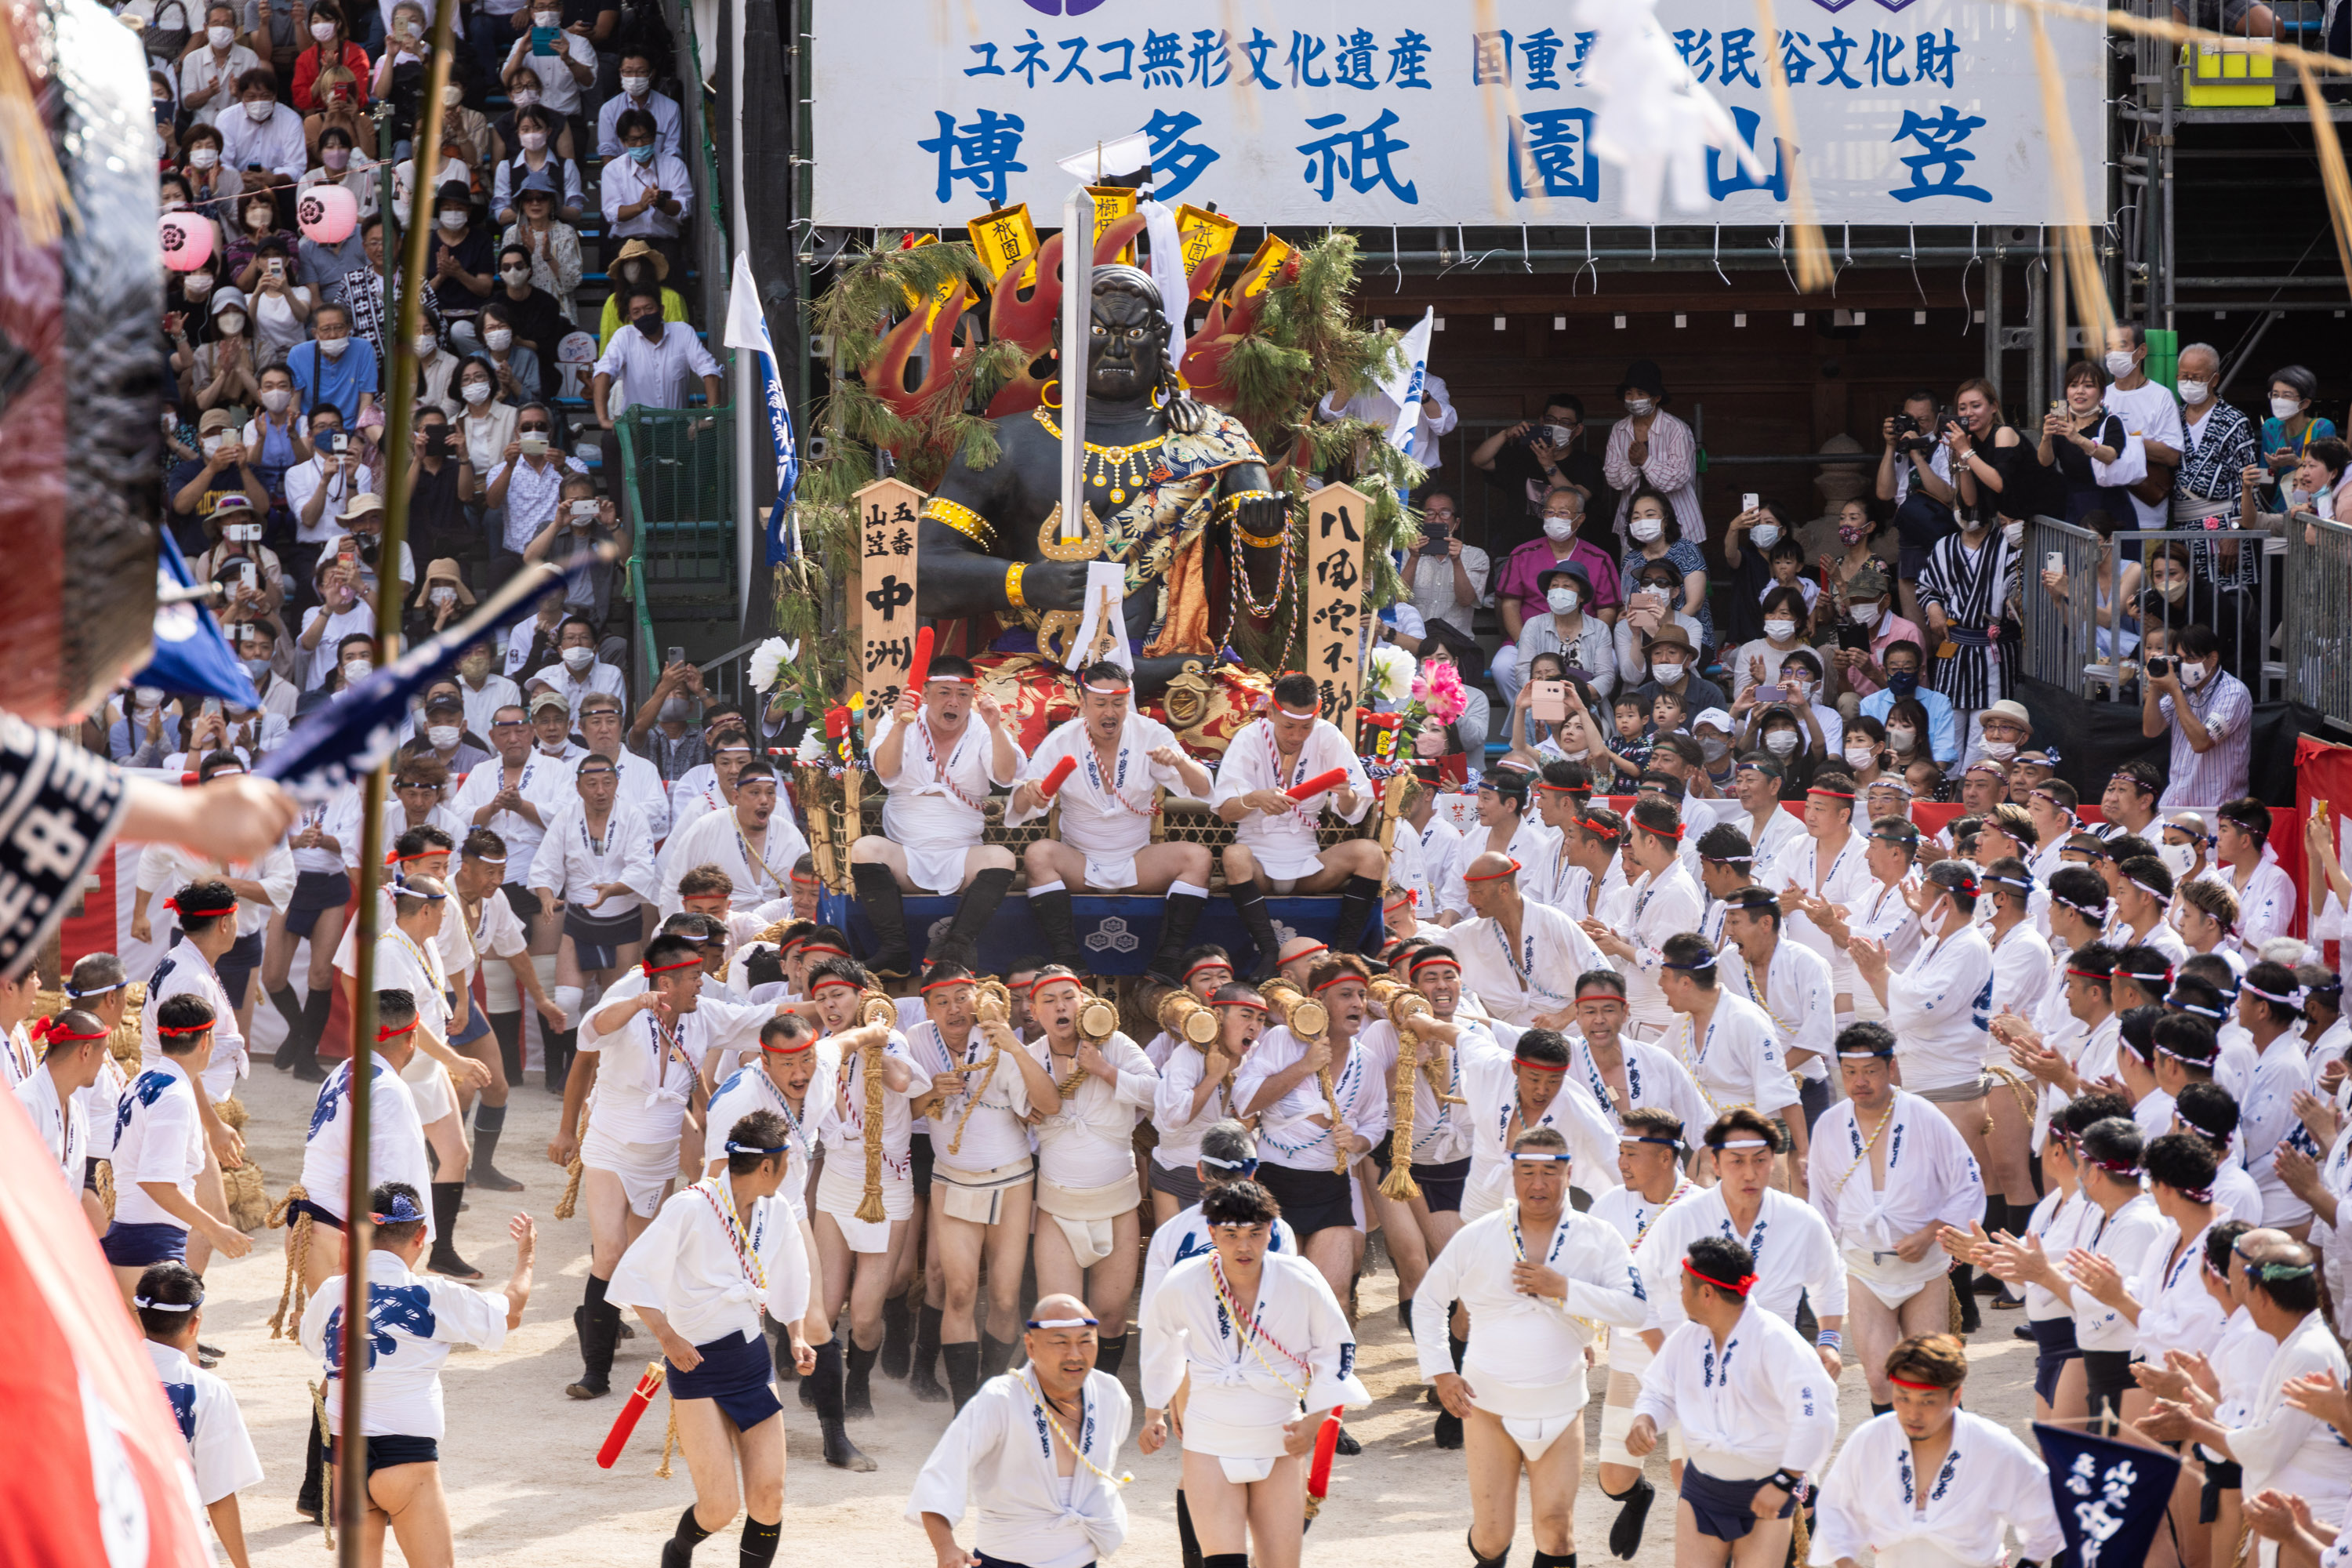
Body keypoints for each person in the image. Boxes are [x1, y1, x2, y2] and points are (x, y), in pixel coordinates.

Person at [1414, 1125, 1647, 1568]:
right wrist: (1442, 1371)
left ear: (1568, 1174)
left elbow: (1636, 1309)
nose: (1537, 1184)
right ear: (1513, 1175)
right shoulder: (1479, 1234)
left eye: (1549, 1172)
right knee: (1492, 1538)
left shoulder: (1598, 1235)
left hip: (1561, 1399)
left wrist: (1566, 1289)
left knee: (1557, 1531)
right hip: (1490, 1403)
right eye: (1527, 1173)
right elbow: (1428, 1300)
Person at [606, 1109, 811, 1568]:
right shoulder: (692, 1205)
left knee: (769, 1497)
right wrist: (667, 1337)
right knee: (720, 1507)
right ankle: (677, 1552)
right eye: (787, 1161)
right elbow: (633, 1275)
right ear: (766, 1166)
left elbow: (793, 1277)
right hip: (695, 1365)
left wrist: (796, 1336)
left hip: (751, 1360)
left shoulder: (776, 1211)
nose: (789, 1170)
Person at [1138, 1178, 1370, 1568]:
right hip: (1210, 1437)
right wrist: (1154, 1411)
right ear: (1212, 1232)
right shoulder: (1185, 1280)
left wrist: (1315, 1421)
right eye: (1230, 1234)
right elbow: (1161, 1344)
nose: (1243, 1247)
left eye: (1255, 1234)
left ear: (1272, 1232)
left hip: (1279, 1437)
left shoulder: (1300, 1278)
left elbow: (1337, 1348)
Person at [299, 1184, 534, 1568]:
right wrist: (526, 1255)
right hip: (406, 1459)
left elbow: (314, 1345)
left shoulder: (330, 1292)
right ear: (421, 1235)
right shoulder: (434, 1293)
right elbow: (512, 1312)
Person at [1626, 1234, 1838, 1567]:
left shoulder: (1777, 1340)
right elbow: (1659, 1391)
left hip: (1765, 1492)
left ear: (1707, 1293)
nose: (1680, 1293)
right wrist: (1646, 1419)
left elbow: (1817, 1416)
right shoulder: (1686, 1338)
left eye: (1684, 1285)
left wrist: (1785, 1481)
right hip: (1702, 1491)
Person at [1805, 1023, 1984, 1411]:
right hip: (1864, 1263)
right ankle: (1894, 1466)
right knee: (1880, 1381)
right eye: (1850, 1072)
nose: (1859, 1082)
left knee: (1929, 1372)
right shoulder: (1830, 1124)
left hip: (1923, 1264)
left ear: (1891, 1068)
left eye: (1869, 1070)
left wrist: (1932, 1233)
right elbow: (1821, 1203)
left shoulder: (1924, 1115)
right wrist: (1823, 1265)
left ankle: (1950, 1459)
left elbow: (1966, 1181)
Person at [902, 967, 1059, 1408]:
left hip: (1010, 1180)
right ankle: (963, 1406)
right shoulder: (917, 1040)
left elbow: (1047, 1107)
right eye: (942, 1001)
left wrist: (1012, 1045)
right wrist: (932, 1091)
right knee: (959, 1291)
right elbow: (905, 1109)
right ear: (928, 1007)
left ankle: (990, 1395)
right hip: (951, 1180)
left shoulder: (999, 1042)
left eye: (961, 998)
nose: (954, 1009)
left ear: (977, 999)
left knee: (1006, 1299)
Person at [2143, 1236, 2352, 1549]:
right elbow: (2261, 1433)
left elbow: (2266, 1448)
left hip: (2313, 1520)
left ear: (2263, 1296)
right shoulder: (2298, 1343)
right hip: (2288, 1516)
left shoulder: (2308, 1352)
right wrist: (2200, 1397)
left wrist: (2193, 1425)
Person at [1007, 663, 1215, 970]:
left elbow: (1203, 789)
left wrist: (1181, 762)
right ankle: (1068, 957)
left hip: (1137, 861)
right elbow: (1022, 805)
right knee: (1038, 855)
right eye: (1101, 703)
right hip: (1079, 862)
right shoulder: (1062, 740)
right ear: (1083, 702)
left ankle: (1168, 959)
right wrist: (1032, 791)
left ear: (1128, 701)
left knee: (1198, 858)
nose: (1110, 712)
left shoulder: (1151, 734)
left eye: (1118, 703)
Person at [908, 1293, 1133, 1568]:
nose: (1075, 1354)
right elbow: (942, 1472)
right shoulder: (999, 1399)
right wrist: (946, 1547)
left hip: (1084, 1562)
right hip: (1005, 1560)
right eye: (1060, 1342)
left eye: (1086, 1341)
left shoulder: (1111, 1395)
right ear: (1031, 1346)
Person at [1809, 1333, 2065, 1568]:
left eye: (1928, 1401)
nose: (1913, 1414)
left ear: (1955, 1397)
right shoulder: (1871, 1439)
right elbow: (1836, 1511)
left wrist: (2029, 1564)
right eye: (1903, 1397)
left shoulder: (1992, 1445)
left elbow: (2048, 1512)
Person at [804, 958, 929, 1426]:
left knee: (865, 1310)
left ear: (861, 995)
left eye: (838, 995)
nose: (830, 1005)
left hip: (888, 1185)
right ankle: (828, 1383)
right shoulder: (821, 1047)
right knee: (828, 1299)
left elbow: (901, 1082)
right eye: (821, 998)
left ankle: (858, 1382)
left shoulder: (889, 1037)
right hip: (838, 1181)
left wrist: (873, 1043)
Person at [1234, 955, 1388, 1312]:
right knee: (1276, 1296)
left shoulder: (1368, 1060)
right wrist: (1304, 1066)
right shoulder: (1282, 1041)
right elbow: (1245, 1103)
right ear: (1319, 1000)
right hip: (1275, 1183)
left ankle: (1330, 1369)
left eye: (1362, 995)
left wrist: (1359, 1141)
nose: (1357, 1004)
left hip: (1330, 1183)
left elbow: (1376, 1121)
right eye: (1346, 994)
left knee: (1333, 1297)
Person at [852, 655, 1022, 978]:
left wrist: (997, 727)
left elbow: (1005, 774)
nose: (953, 702)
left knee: (1001, 858)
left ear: (973, 698)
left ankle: (954, 950)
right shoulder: (900, 719)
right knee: (865, 849)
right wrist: (901, 722)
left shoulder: (984, 728)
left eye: (962, 695)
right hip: (905, 854)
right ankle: (894, 950)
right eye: (944, 692)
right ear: (926, 693)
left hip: (962, 855)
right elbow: (885, 770)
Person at [1586, 1108, 1700, 1555]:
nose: (1622, 1163)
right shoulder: (1611, 1204)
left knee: (1687, 1477)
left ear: (1667, 1157)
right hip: (1632, 1362)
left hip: (1688, 1361)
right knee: (1614, 1480)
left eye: (1632, 1153)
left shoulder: (1702, 1208)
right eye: (1621, 1152)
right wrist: (1582, 1339)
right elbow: (1586, 1273)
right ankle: (1637, 1499)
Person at [136, 1261, 263, 1568]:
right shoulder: (206, 1389)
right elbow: (218, 1493)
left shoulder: (98, 1371)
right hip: (177, 1541)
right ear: (195, 1322)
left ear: (140, 1315)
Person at [1577, 797, 1704, 1033]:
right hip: (1636, 1014)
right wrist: (1606, 936)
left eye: (1634, 835)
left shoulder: (1677, 891)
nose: (1630, 843)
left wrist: (1617, 946)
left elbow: (1660, 964)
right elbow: (1628, 932)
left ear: (1651, 840)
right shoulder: (1647, 879)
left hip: (1660, 1021)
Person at [1450, 848, 1609, 1029]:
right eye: (1468, 891)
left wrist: (1563, 1017)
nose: (1470, 900)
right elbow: (1429, 953)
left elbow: (1605, 979)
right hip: (1513, 1038)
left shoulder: (1553, 922)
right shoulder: (1468, 933)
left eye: (1477, 892)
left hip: (1571, 1033)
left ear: (1504, 889)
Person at [1493, 485, 1623, 702]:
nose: (1555, 518)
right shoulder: (1523, 553)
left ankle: (1582, 720)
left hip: (1583, 639)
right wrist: (1523, 642)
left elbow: (1607, 609)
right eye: (1549, 512)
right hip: (1530, 638)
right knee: (1502, 666)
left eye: (1563, 513)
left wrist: (1589, 641)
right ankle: (1531, 720)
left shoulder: (1598, 558)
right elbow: (1509, 604)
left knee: (1613, 663)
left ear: (1580, 519)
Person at [655, 760, 810, 915]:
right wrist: (677, 934)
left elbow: (809, 886)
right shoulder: (708, 827)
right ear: (736, 797)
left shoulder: (788, 834)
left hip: (773, 929)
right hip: (718, 927)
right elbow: (675, 883)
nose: (764, 800)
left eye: (770, 793)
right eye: (755, 793)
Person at [2143, 622, 2253, 808]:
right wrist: (2155, 684)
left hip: (2217, 806)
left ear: (2212, 658)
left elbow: (2202, 742)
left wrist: (2175, 691)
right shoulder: (2183, 687)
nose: (2185, 665)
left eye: (2191, 659)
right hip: (2175, 800)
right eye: (2181, 659)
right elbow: (2151, 730)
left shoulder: (2233, 692)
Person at [593, 282, 723, 431]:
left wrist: (710, 418)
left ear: (661, 310)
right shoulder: (624, 337)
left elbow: (709, 371)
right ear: (630, 317)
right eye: (636, 312)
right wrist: (603, 419)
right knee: (610, 442)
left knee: (705, 436)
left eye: (649, 309)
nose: (643, 315)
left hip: (676, 426)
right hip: (636, 428)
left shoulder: (683, 332)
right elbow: (603, 373)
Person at [1604, 360, 1704, 544]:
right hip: (1634, 525)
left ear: (1656, 398)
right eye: (1629, 393)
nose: (1633, 399)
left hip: (1678, 523)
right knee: (1636, 572)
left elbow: (1679, 476)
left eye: (1640, 393)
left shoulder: (1676, 429)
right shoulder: (1619, 430)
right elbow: (1612, 478)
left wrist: (1646, 461)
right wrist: (1632, 465)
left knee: (1678, 572)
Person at [2100, 325, 2187, 536]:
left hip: (2146, 518)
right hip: (2103, 518)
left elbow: (2172, 455)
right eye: (2109, 347)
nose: (2114, 354)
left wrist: (2123, 440)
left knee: (2146, 570)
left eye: (2122, 346)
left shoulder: (2161, 397)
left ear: (2141, 351)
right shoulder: (2099, 397)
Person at [15, 1009, 109, 1192]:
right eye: (103, 1052)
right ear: (86, 1052)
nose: (103, 1062)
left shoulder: (76, 1110)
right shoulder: (24, 1104)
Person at [599, 111, 692, 277]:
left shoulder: (674, 165)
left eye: (645, 137)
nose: (641, 144)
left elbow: (684, 209)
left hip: (664, 241)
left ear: (654, 137)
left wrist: (662, 203)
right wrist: (641, 206)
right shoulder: (612, 170)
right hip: (626, 241)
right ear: (623, 142)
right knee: (630, 270)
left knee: (670, 268)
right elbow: (612, 213)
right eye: (634, 140)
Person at [1405, 489, 1489, 641]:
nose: (1436, 520)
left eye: (1445, 513)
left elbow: (1465, 600)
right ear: (1421, 520)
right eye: (1430, 513)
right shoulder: (1407, 553)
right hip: (1412, 641)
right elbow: (1398, 599)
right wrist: (1413, 558)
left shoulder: (1476, 556)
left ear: (1456, 523)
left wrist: (1457, 561)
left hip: (1455, 644)